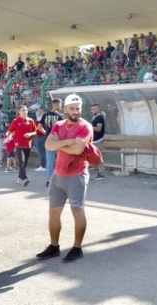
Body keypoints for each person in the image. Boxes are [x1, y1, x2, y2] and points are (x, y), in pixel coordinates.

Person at [37, 94, 94, 263]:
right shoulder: (59, 125)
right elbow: (48, 145)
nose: (76, 111)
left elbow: (77, 150)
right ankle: (54, 247)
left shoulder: (85, 126)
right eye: (72, 108)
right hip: (58, 175)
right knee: (53, 213)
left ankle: (77, 248)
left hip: (77, 175)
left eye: (78, 108)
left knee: (77, 212)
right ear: (65, 109)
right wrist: (69, 141)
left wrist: (60, 143)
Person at [8, 105, 37, 186]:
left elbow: (35, 131)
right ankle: (24, 178)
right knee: (21, 162)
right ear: (19, 112)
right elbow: (11, 131)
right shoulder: (15, 121)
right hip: (19, 145)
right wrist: (12, 138)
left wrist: (30, 133)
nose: (25, 112)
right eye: (23, 110)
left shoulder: (31, 121)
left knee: (25, 163)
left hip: (28, 144)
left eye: (26, 110)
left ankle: (19, 178)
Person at [41, 98, 65, 187]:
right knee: (61, 159)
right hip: (58, 140)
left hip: (49, 139)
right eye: (61, 104)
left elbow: (39, 127)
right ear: (58, 104)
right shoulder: (61, 115)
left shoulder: (45, 115)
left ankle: (49, 179)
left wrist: (46, 133)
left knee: (50, 160)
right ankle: (60, 178)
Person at [89, 103, 106, 180]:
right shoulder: (95, 117)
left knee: (98, 157)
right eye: (91, 109)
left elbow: (98, 129)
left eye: (93, 109)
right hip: (94, 141)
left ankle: (101, 173)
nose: (91, 111)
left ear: (98, 109)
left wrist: (89, 126)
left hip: (98, 141)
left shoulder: (99, 118)